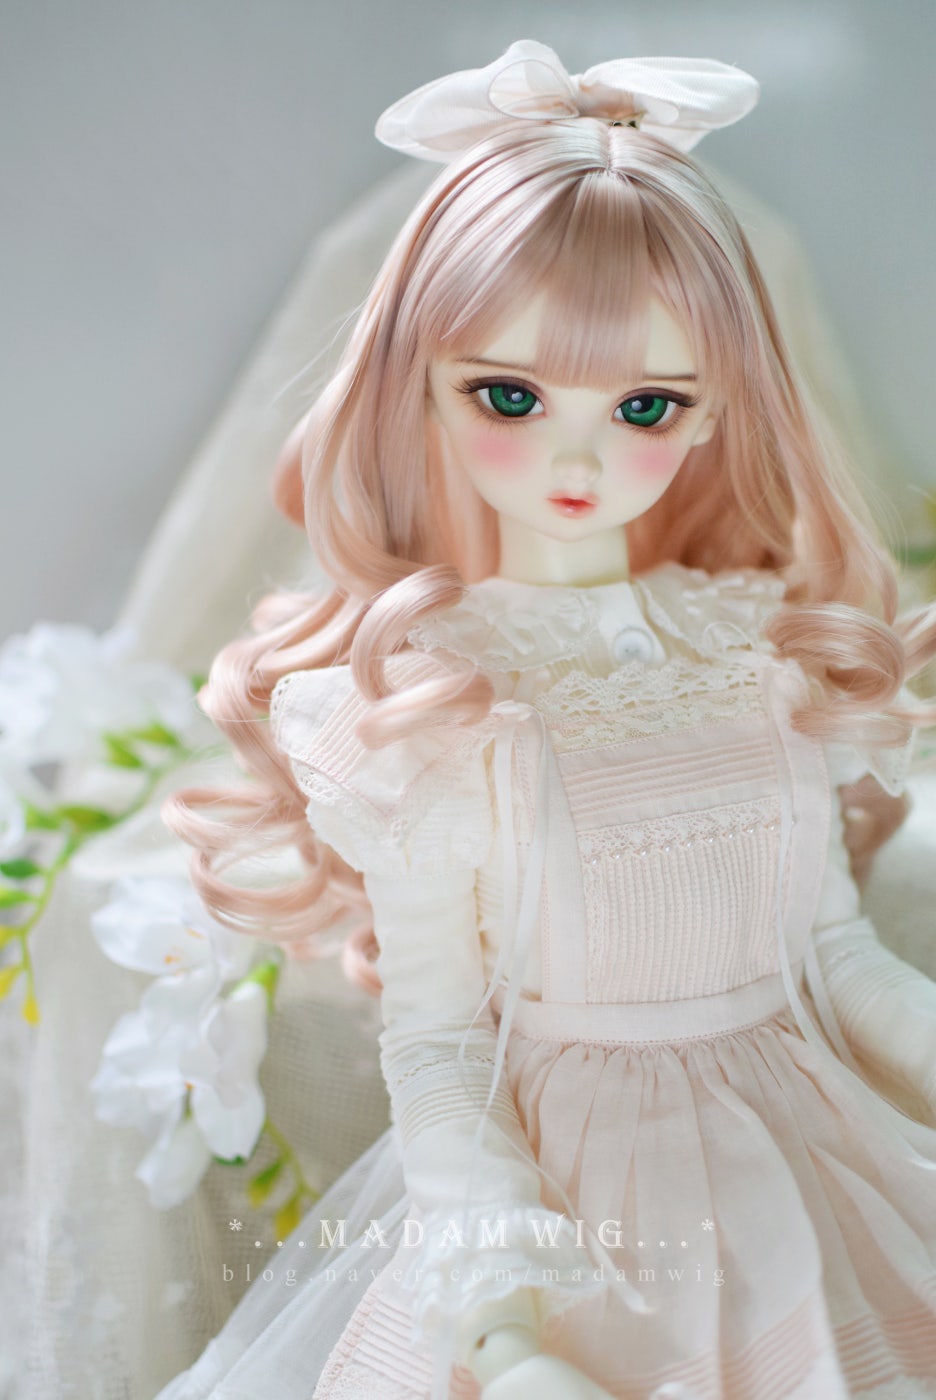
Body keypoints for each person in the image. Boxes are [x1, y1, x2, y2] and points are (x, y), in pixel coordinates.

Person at [156, 42, 936, 1400]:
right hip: (578, 1216)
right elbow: (441, 1047)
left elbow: (836, 951)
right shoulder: (426, 704)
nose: (580, 458)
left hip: (809, 1161)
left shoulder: (758, 645)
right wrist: (505, 1335)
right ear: (420, 383)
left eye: (647, 406)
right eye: (508, 395)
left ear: (716, 413)